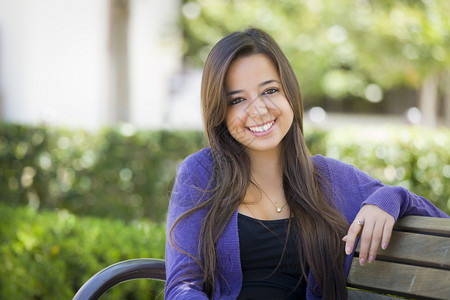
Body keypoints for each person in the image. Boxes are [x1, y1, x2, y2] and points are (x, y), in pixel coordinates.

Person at [164, 28, 449, 300]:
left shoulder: (330, 178)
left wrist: (390, 197)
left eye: (269, 91)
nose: (259, 110)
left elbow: (439, 224)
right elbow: (182, 286)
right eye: (237, 100)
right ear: (220, 111)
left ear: (290, 92)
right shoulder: (201, 173)